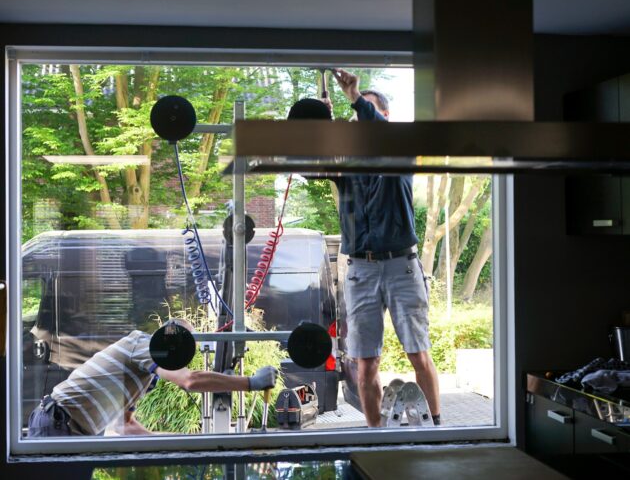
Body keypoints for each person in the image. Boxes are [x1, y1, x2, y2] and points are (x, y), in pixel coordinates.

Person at [288, 69, 441, 427]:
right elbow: (308, 168)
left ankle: (436, 426)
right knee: (364, 363)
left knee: (419, 354)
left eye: (365, 116)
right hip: (360, 270)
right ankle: (375, 435)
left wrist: (356, 98)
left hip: (402, 266)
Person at [27, 319, 278, 437]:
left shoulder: (140, 376)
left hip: (67, 427)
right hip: (58, 424)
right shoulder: (144, 344)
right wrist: (250, 382)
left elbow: (124, 426)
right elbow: (190, 380)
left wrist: (176, 445)